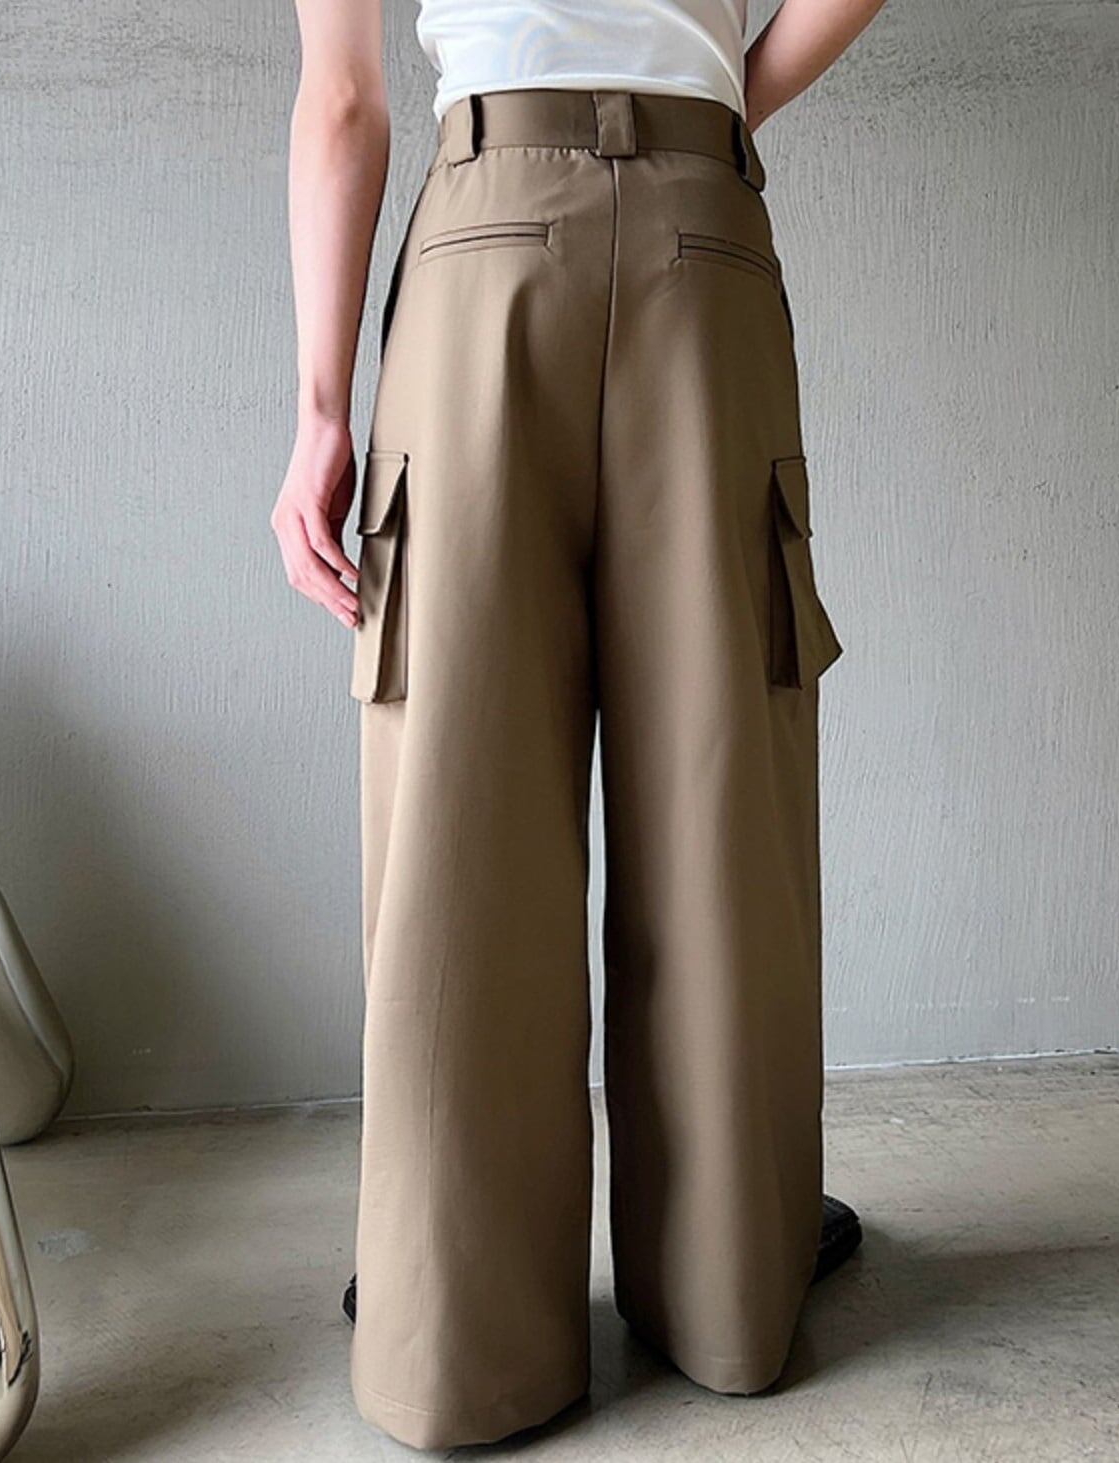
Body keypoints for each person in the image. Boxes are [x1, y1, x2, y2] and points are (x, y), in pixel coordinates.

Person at [272, 0, 887, 1449]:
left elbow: (345, 103)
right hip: (702, 226)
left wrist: (319, 411)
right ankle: (731, 1286)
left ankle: (454, 1328)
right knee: (721, 779)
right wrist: (716, 95)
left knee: (458, 799)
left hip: (484, 238)